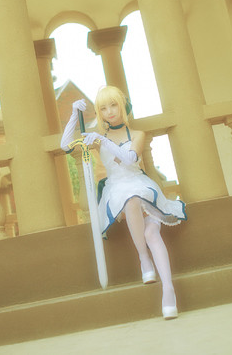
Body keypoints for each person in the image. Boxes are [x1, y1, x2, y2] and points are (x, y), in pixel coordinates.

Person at [60, 85, 187, 320]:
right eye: (103, 108)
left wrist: (102, 140)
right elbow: (65, 145)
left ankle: (167, 289)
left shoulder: (137, 134)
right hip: (117, 190)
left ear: (122, 106)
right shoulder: (98, 138)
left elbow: (129, 160)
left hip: (142, 186)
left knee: (146, 221)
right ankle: (145, 260)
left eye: (113, 105)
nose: (109, 111)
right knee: (134, 207)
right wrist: (73, 116)